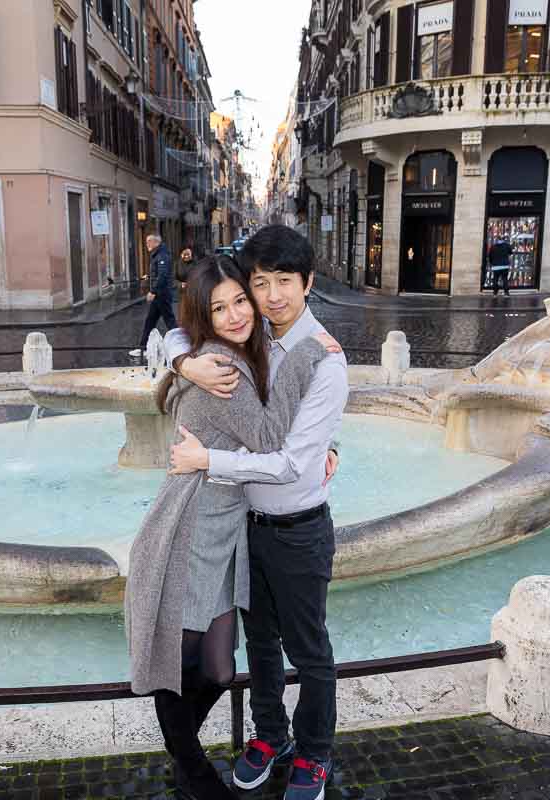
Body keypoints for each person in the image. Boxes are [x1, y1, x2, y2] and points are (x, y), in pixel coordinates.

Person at [126, 255, 335, 800]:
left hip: (228, 528)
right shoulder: (222, 368)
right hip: (195, 522)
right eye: (220, 308)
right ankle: (194, 772)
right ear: (207, 318)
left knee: (219, 668)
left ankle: (183, 752)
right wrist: (311, 352)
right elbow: (268, 438)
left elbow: (175, 334)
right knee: (183, 658)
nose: (238, 312)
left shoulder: (240, 348)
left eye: (242, 298)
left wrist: (178, 359)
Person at [130, 234, 177, 357]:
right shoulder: (158, 254)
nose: (146, 245)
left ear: (154, 242)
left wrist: (153, 291)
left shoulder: (162, 255)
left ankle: (181, 346)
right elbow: (158, 273)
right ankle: (142, 348)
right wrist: (149, 276)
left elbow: (162, 276)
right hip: (160, 295)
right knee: (150, 322)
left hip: (162, 295)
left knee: (170, 322)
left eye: (148, 242)